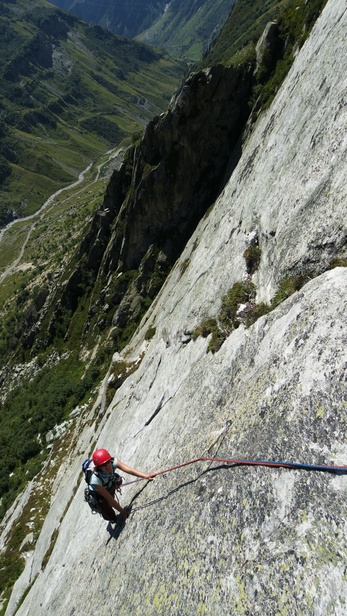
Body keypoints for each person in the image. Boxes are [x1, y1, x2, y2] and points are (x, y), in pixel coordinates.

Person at [89, 448, 153, 523]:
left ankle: (112, 490)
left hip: (108, 485)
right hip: (98, 493)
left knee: (118, 481)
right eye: (103, 465)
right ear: (99, 467)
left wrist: (147, 476)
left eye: (108, 462)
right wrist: (123, 512)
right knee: (109, 513)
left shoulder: (113, 462)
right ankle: (111, 518)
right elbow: (109, 498)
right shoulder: (95, 480)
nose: (107, 466)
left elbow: (130, 470)